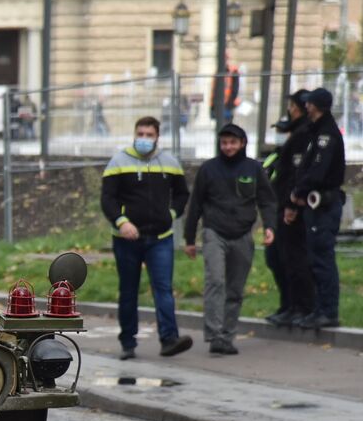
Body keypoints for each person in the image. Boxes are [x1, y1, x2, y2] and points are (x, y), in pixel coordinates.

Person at [101, 116, 193, 359]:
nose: (143, 139)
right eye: (140, 134)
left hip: (160, 237)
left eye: (148, 135)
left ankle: (169, 339)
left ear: (157, 137)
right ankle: (128, 343)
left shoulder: (169, 162)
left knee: (163, 288)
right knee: (129, 290)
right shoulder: (118, 162)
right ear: (134, 134)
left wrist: (171, 214)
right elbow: (107, 199)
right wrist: (121, 222)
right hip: (126, 239)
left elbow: (182, 194)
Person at [182, 124, 276, 355]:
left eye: (233, 142)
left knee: (235, 289)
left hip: (243, 234)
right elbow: (195, 204)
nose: (228, 147)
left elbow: (267, 200)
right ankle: (214, 334)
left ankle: (227, 335)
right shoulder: (208, 169)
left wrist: (270, 226)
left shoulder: (254, 168)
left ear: (242, 143)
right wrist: (190, 238)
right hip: (214, 233)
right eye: (224, 143)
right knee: (215, 281)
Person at [287, 88, 346, 330]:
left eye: (309, 104)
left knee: (322, 258)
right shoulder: (317, 132)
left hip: (324, 206)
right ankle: (319, 309)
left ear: (316, 106)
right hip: (316, 205)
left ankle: (327, 311)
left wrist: (298, 192)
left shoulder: (326, 136)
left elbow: (317, 172)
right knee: (315, 258)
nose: (305, 107)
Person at [261, 90, 316, 327]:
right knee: (277, 258)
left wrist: (291, 204)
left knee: (293, 259)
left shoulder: (305, 135)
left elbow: (297, 175)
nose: (290, 111)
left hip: (291, 209)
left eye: (292, 107)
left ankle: (301, 306)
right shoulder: (289, 141)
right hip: (279, 206)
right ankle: (289, 305)